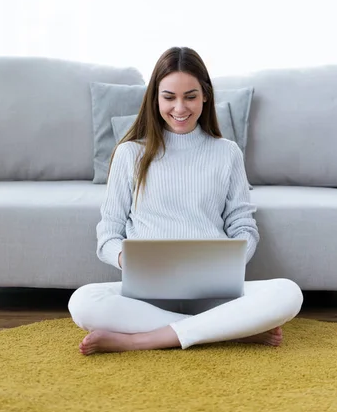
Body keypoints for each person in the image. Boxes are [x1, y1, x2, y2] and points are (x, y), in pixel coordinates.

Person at [68, 46, 303, 355]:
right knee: (83, 303)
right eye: (169, 97)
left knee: (287, 292)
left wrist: (229, 261)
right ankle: (226, 329)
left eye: (190, 96)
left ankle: (143, 339)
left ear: (205, 96)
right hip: (147, 294)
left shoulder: (227, 152)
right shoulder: (129, 154)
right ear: (155, 98)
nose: (180, 108)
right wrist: (131, 262)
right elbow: (108, 235)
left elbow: (243, 226)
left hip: (215, 292)